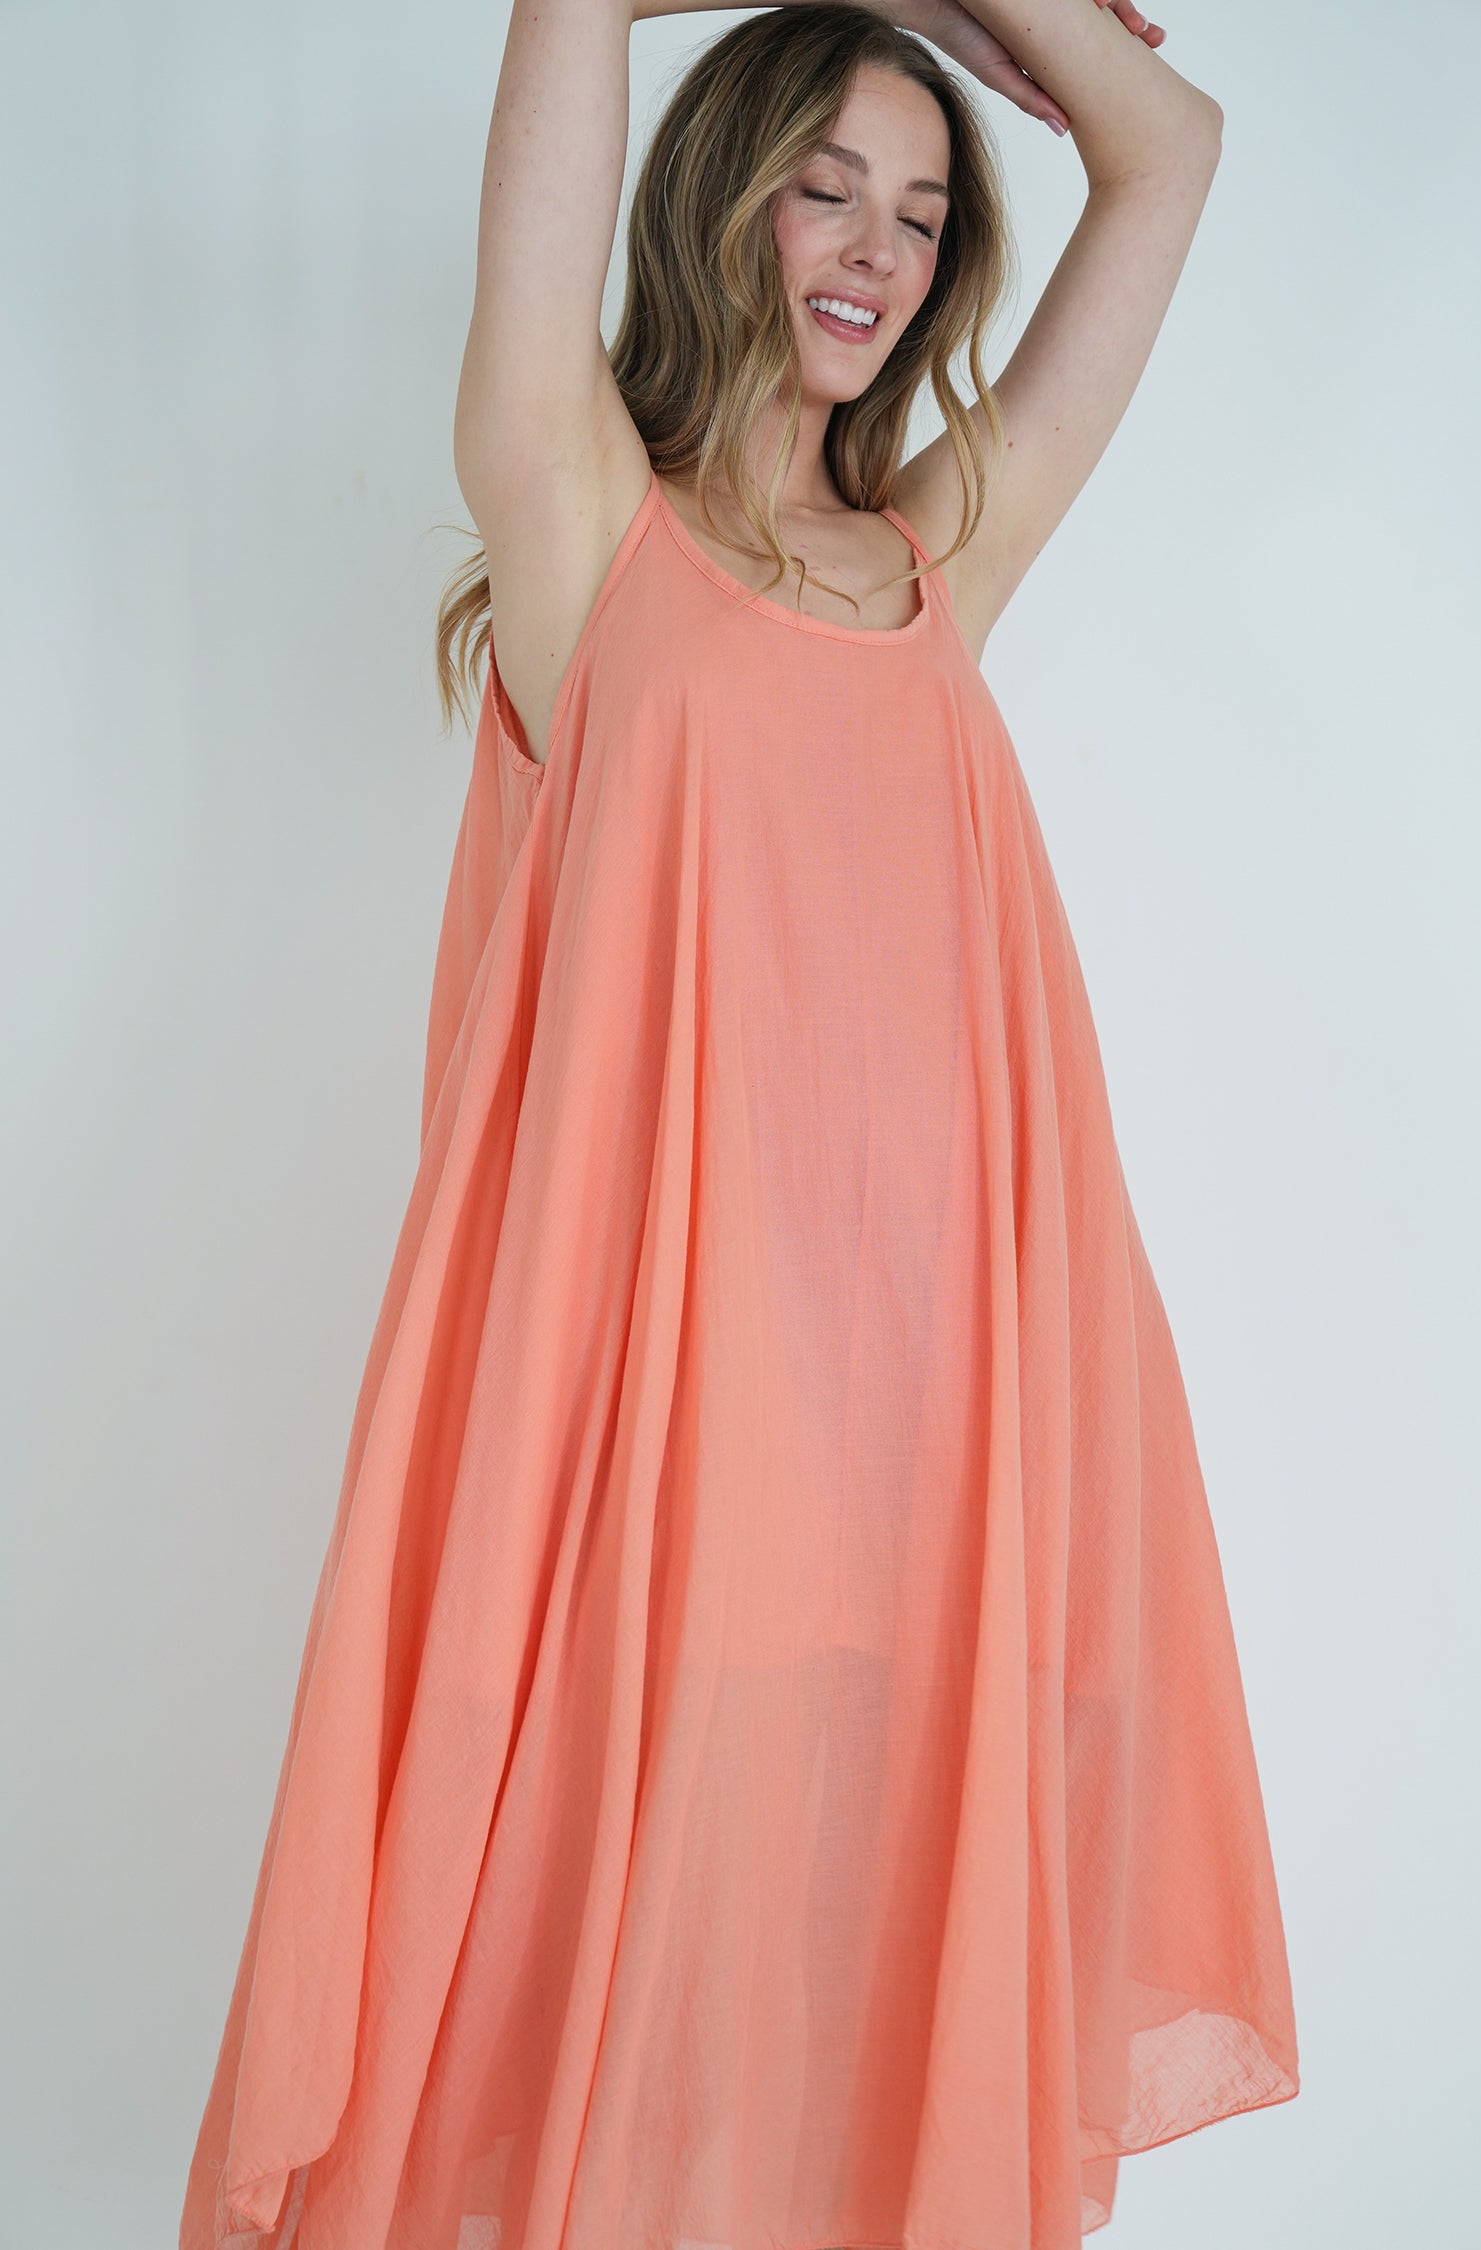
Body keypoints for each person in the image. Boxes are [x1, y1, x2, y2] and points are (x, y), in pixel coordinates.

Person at [179, 0, 1300, 2245]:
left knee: (854, 2116)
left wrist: (1024, 24)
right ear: (724, 198)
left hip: (931, 1505)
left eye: (919, 203)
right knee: (603, 2105)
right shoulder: (587, 525)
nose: (877, 250)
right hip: (647, 1501)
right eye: (826, 185)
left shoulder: (936, 569)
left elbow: (1169, 146)